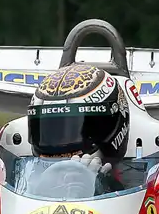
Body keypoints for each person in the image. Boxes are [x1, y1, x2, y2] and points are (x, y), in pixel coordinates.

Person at [23, 63, 131, 199]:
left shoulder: (141, 180)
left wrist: (101, 187)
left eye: (74, 130)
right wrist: (38, 193)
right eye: (50, 131)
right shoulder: (23, 177)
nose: (59, 146)